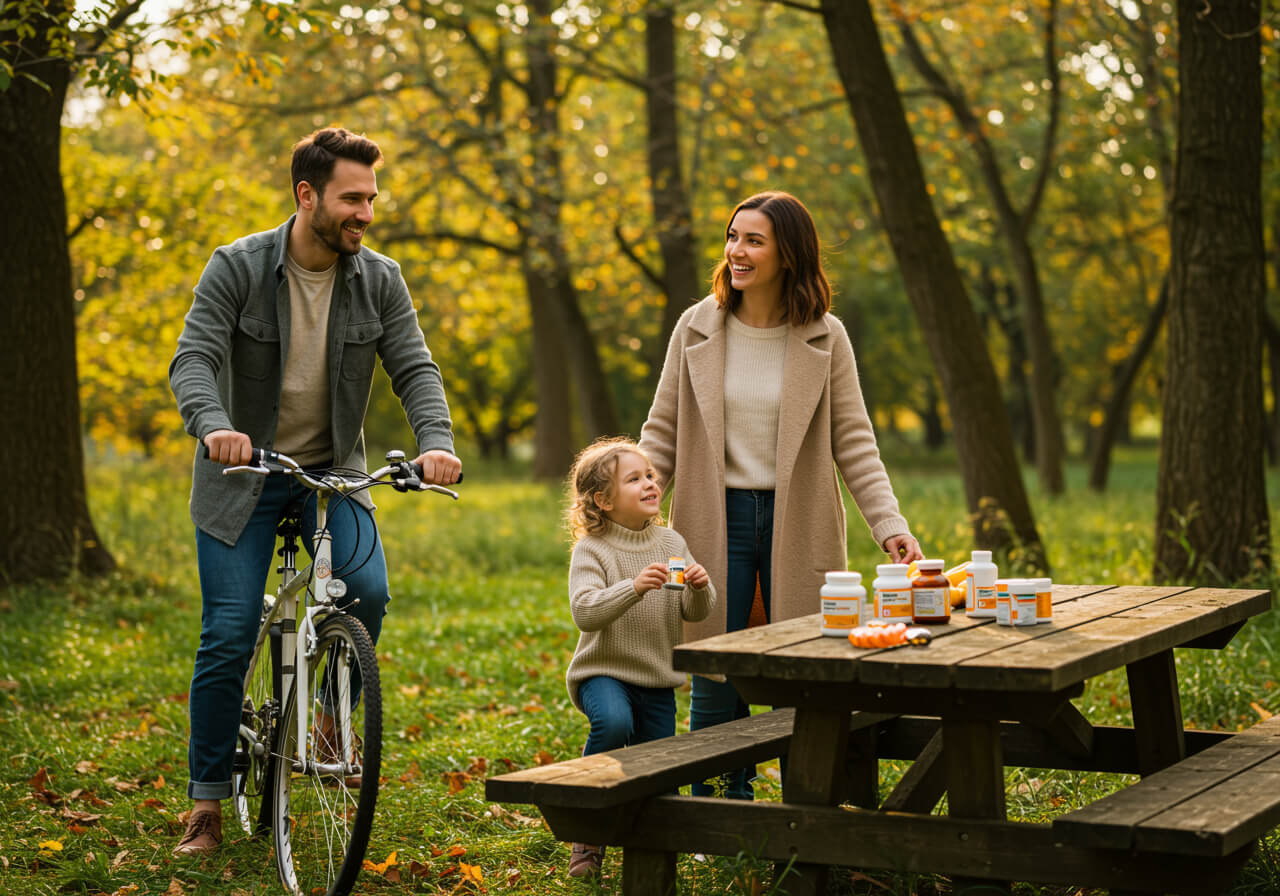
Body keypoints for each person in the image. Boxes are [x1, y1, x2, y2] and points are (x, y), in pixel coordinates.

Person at [168, 127, 462, 855]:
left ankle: (331, 715)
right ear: (307, 196)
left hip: (332, 476)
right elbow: (194, 358)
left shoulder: (381, 279)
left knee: (369, 590)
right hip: (242, 475)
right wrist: (213, 427)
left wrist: (438, 442)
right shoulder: (236, 266)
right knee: (229, 631)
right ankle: (207, 802)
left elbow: (415, 369)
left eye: (371, 196)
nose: (366, 211)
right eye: (352, 198)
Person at [638, 190, 923, 800]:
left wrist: (889, 525)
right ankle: (717, 806)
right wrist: (630, 513)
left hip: (801, 521)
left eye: (753, 240)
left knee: (808, 670)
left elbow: (855, 442)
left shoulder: (825, 336)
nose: (736, 252)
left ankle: (810, 808)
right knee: (715, 667)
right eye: (732, 237)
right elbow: (661, 432)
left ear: (788, 254)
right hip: (715, 519)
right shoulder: (695, 327)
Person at [562, 437, 716, 878]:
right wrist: (632, 587)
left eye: (650, 475)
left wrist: (701, 587)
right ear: (603, 500)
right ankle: (587, 838)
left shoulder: (671, 541)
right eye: (634, 479)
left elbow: (692, 612)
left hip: (656, 677)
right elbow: (585, 612)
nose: (650, 484)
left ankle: (651, 851)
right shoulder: (593, 549)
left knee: (657, 768)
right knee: (613, 724)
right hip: (604, 672)